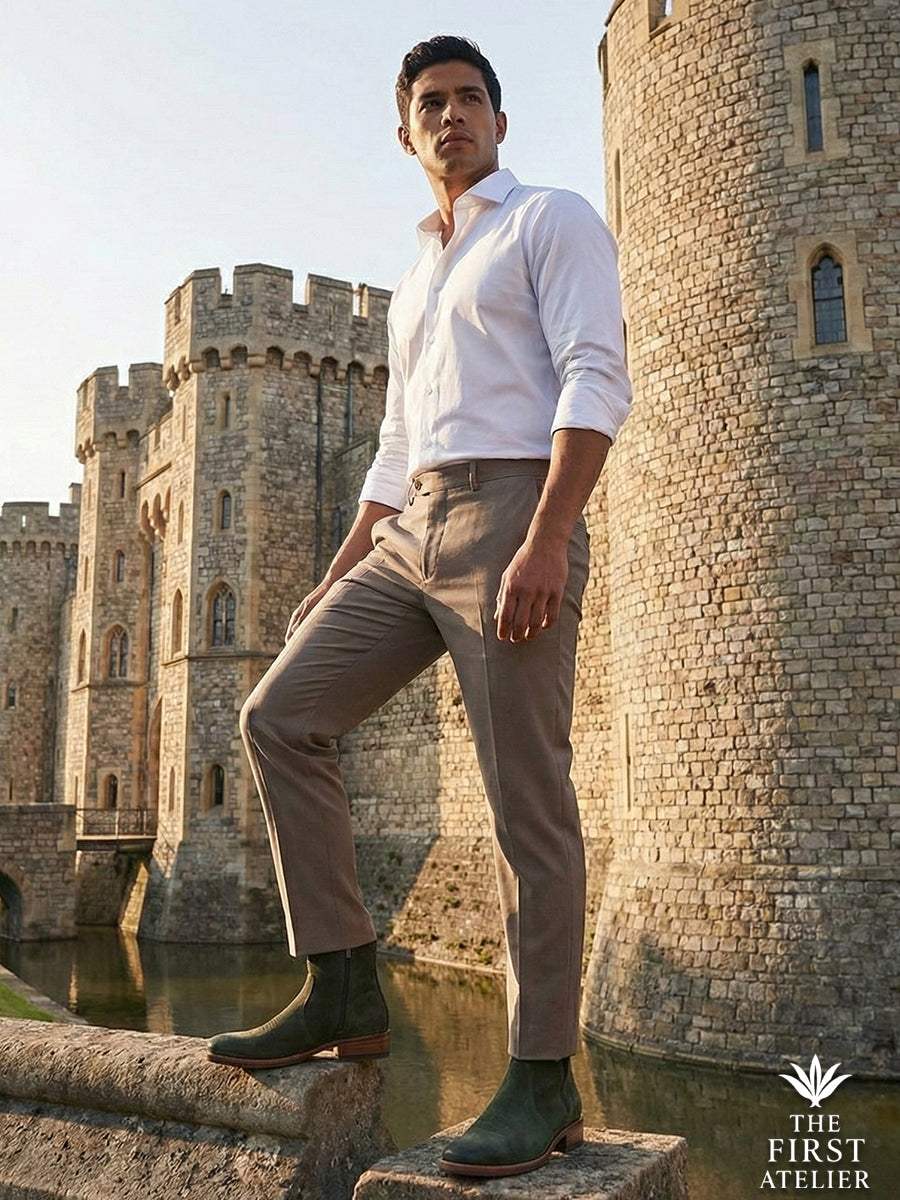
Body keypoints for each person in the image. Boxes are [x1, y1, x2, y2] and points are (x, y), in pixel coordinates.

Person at [208, 34, 631, 1179]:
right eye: (432, 104)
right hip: (410, 532)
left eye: (472, 101)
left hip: (510, 517)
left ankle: (542, 1079)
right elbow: (396, 447)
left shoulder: (550, 221)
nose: (453, 117)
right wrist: (342, 569)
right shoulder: (417, 281)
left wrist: (549, 533)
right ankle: (344, 981)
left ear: (500, 123)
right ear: (406, 132)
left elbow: (596, 373)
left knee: (524, 807)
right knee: (276, 715)